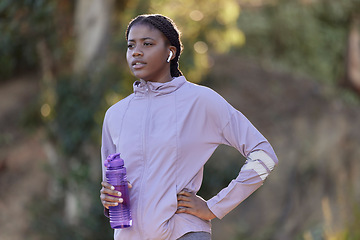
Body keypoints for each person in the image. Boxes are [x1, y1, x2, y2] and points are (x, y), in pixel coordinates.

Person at [100, 14, 278, 240]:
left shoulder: (200, 101)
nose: (136, 52)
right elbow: (112, 183)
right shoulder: (115, 114)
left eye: (147, 44)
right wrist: (108, 199)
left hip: (183, 233)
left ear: (170, 52)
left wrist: (215, 206)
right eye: (130, 45)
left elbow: (264, 154)